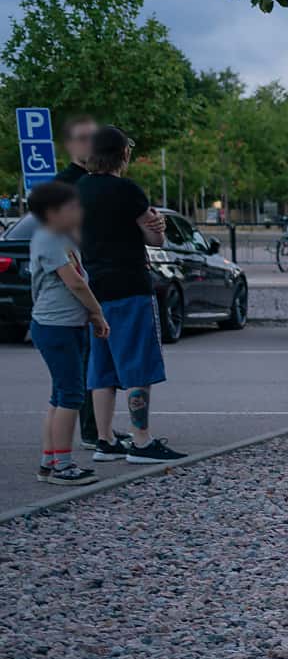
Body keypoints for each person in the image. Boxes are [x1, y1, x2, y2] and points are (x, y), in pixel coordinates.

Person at [77, 125, 187, 464]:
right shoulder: (128, 191)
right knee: (137, 362)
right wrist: (159, 229)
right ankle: (141, 441)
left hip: (95, 289)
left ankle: (105, 439)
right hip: (130, 286)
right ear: (122, 154)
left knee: (102, 366)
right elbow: (155, 239)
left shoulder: (79, 189)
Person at [25, 181, 111, 485]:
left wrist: (89, 314)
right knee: (71, 395)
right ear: (52, 212)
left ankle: (49, 462)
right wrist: (97, 311)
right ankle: (63, 465)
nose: (78, 211)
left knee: (60, 394)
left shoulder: (61, 238)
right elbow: (74, 282)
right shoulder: (49, 239)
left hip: (65, 325)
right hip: (55, 327)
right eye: (71, 207)